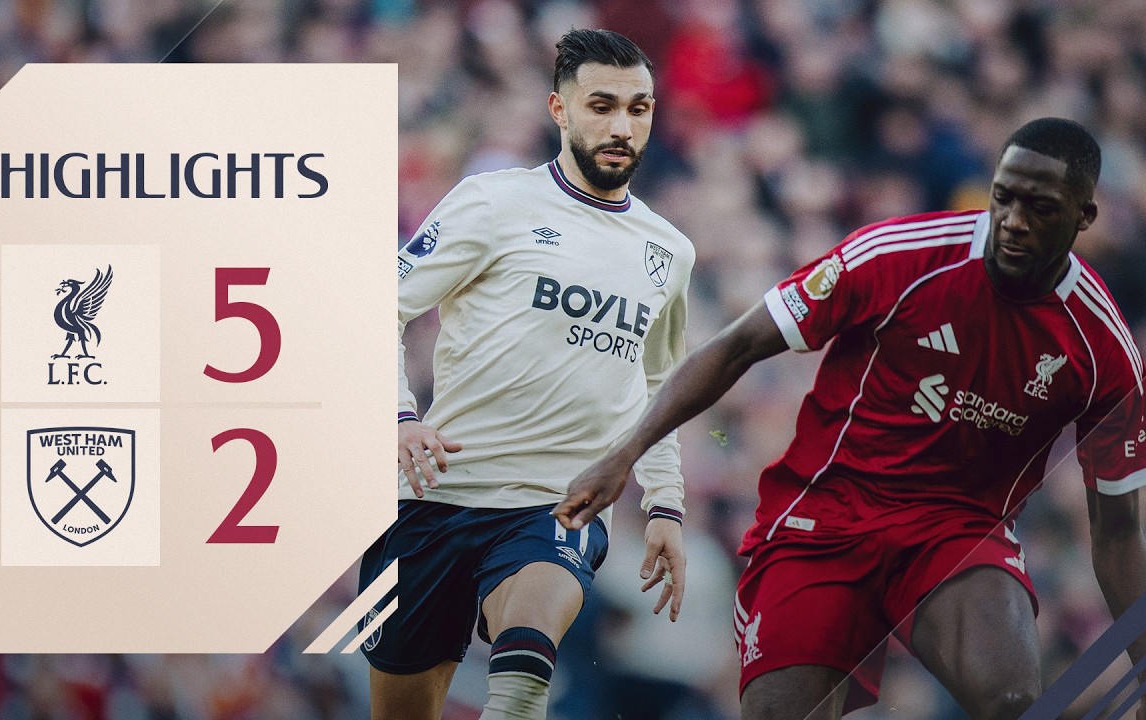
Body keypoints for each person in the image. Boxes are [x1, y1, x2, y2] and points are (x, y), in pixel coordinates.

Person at [556, 117, 1146, 719]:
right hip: (828, 514)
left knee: (1013, 702)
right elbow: (737, 346)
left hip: (958, 530)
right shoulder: (898, 256)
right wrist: (624, 454)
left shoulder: (1104, 350)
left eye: (1040, 207)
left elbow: (1119, 530)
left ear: (1084, 217)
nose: (1014, 221)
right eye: (1004, 197)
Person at [359, 29, 695, 720]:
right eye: (601, 106)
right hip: (437, 495)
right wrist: (399, 417)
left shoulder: (670, 250)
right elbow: (380, 307)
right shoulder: (493, 202)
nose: (622, 126)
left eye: (638, 108)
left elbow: (657, 384)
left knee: (524, 670)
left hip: (557, 503)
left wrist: (665, 503)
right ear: (559, 110)